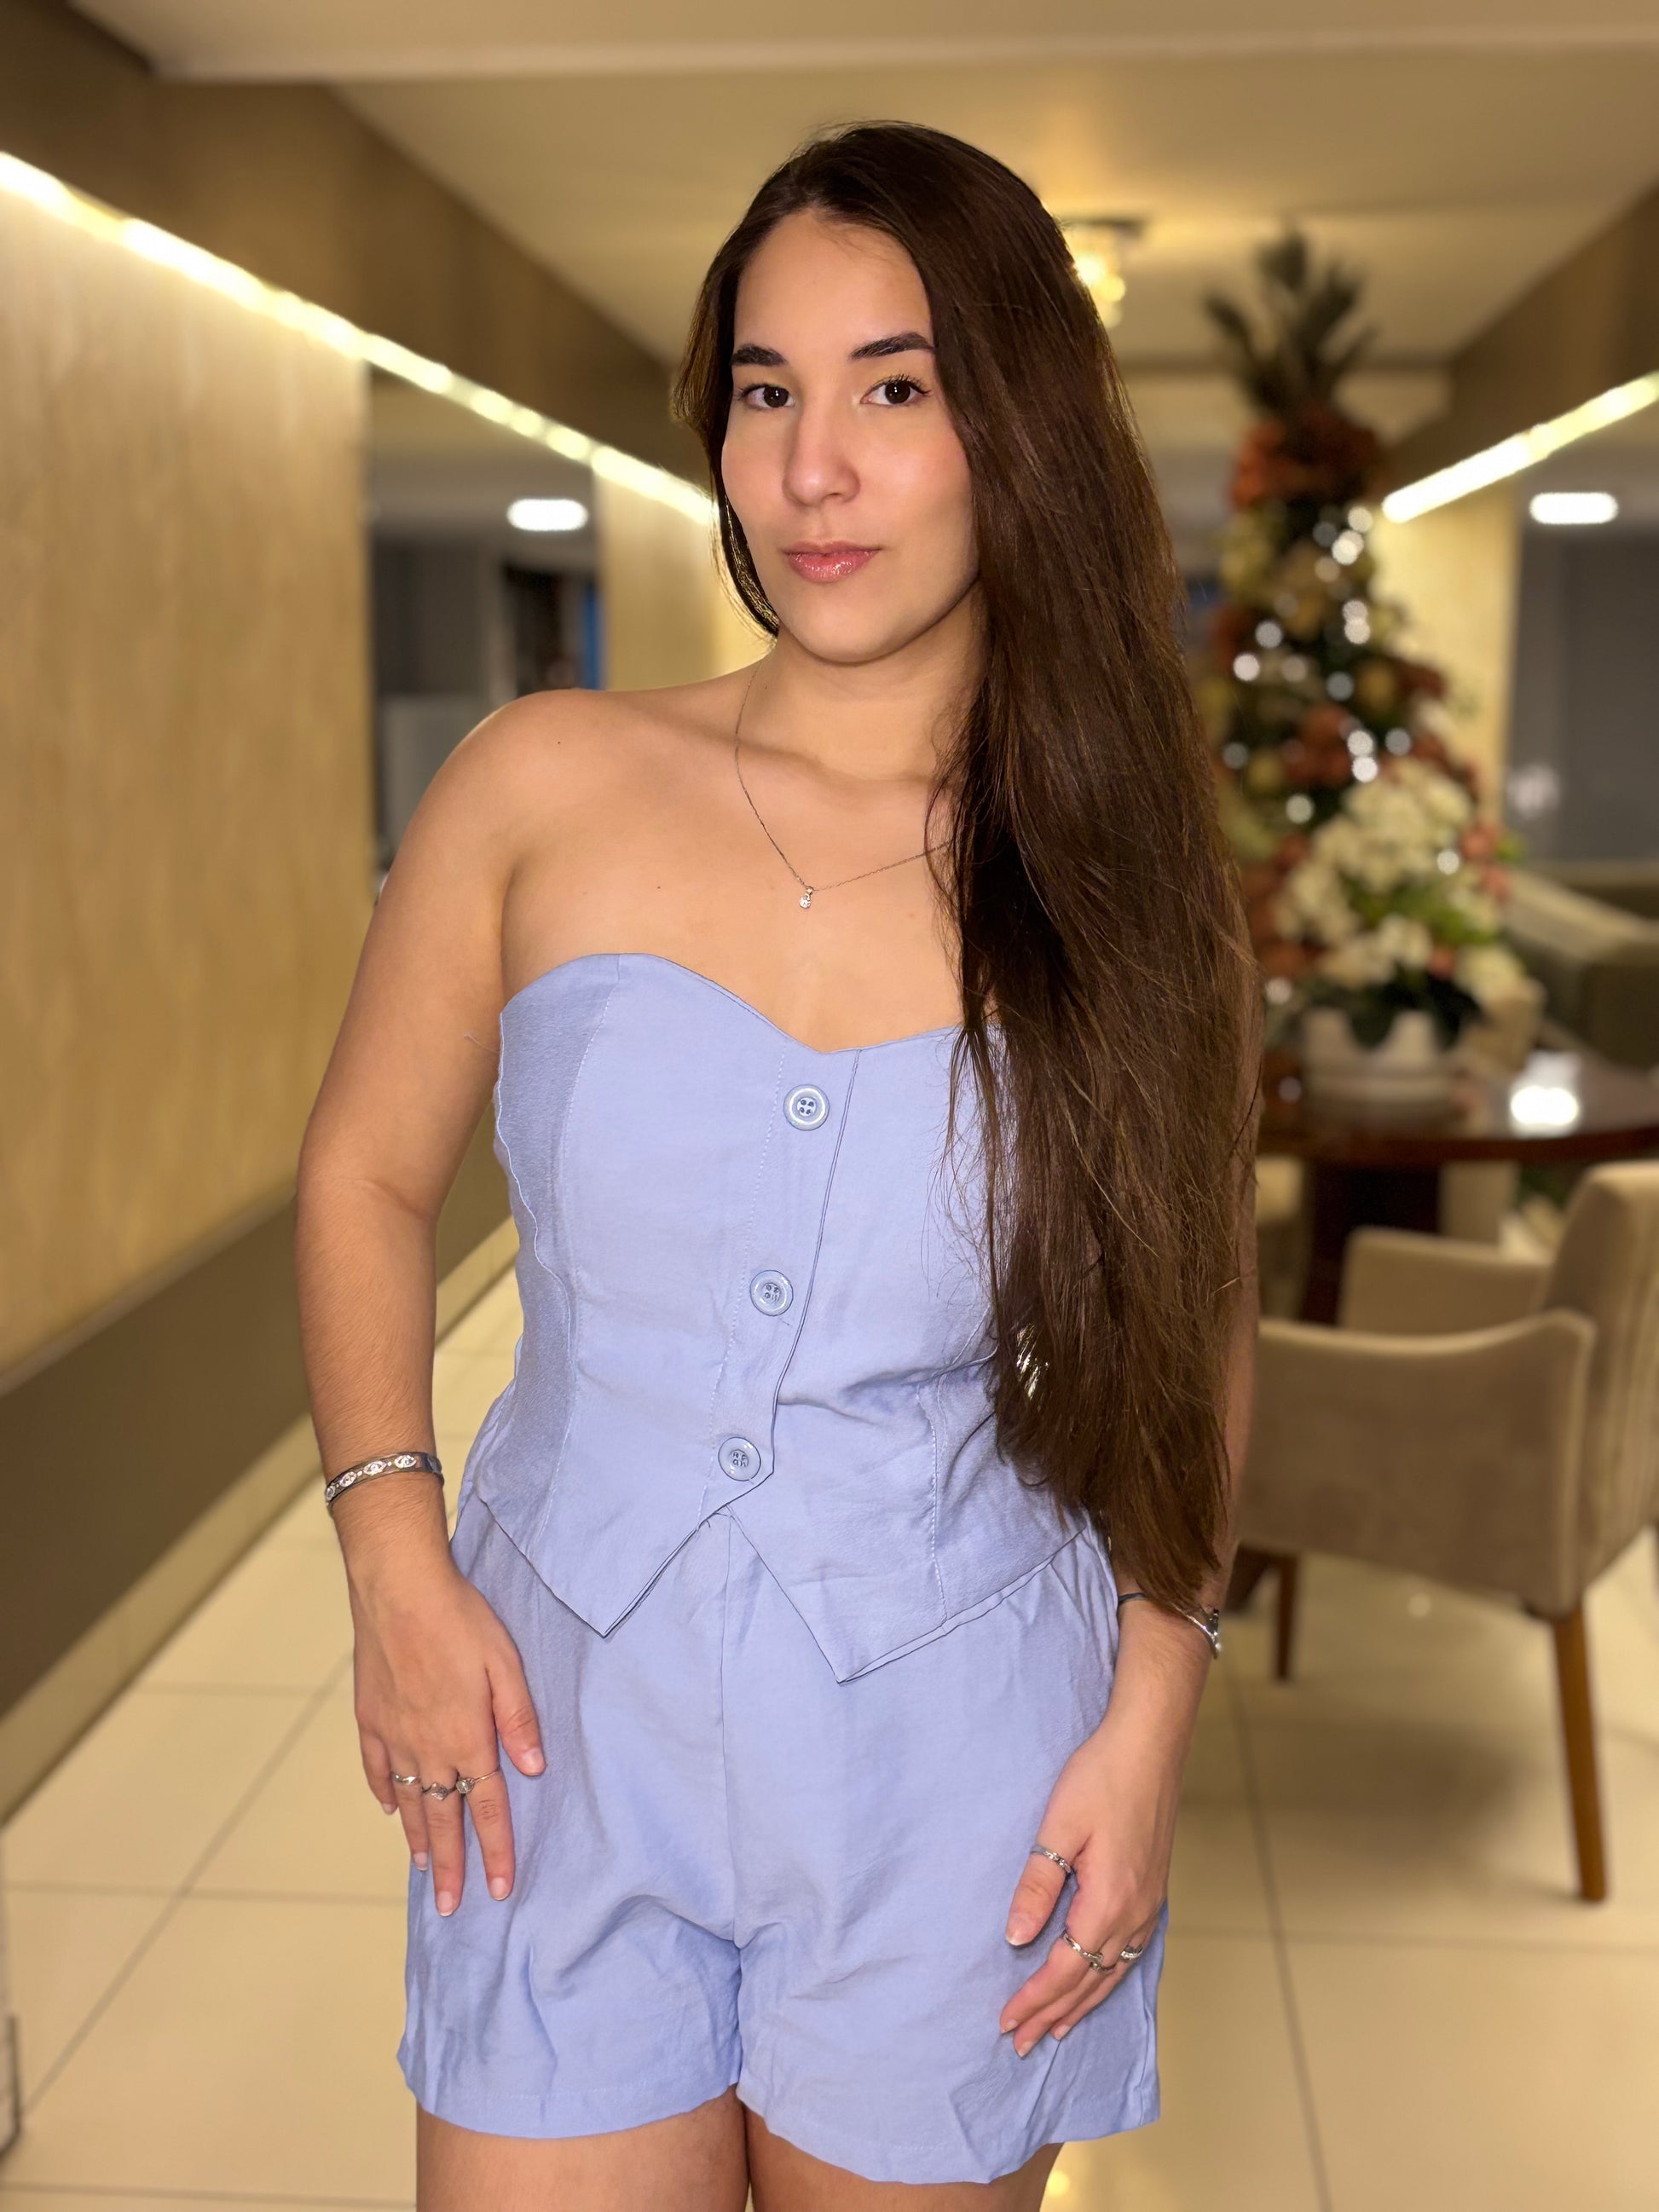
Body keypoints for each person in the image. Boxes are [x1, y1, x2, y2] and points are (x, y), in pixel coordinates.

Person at [296, 120, 1263, 2211]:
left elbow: (1191, 1327)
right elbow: (363, 1174)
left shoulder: (1117, 886)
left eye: (892, 389)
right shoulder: (540, 782)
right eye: (765, 390)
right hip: (556, 1735)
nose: (812, 466)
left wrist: (1150, 1716)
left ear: (1015, 428)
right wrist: (389, 1551)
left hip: (961, 1761)